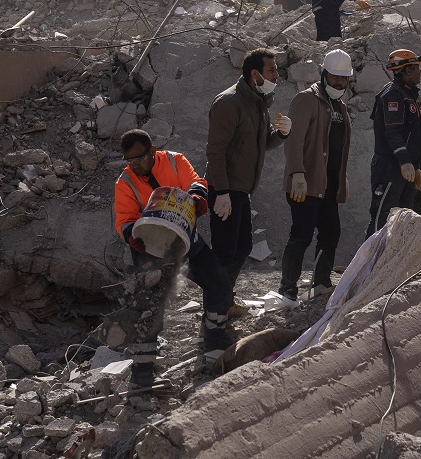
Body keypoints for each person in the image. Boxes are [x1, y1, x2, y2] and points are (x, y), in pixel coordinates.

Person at [112, 129, 235, 362]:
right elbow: (125, 219)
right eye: (129, 160)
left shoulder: (174, 161)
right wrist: (131, 236)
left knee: (219, 283)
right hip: (149, 247)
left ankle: (214, 337)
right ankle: (145, 360)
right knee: (151, 302)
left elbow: (195, 182)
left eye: (139, 158)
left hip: (185, 237)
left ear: (152, 151)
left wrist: (198, 198)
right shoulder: (125, 182)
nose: (134, 165)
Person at [205, 49, 290, 291]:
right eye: (271, 70)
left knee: (241, 248)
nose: (277, 76)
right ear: (255, 74)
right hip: (226, 190)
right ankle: (214, 311)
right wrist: (221, 192)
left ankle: (223, 298)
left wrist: (282, 134)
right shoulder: (229, 103)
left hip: (241, 190)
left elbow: (262, 144)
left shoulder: (258, 102)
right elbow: (215, 151)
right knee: (224, 251)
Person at [280, 50, 356, 300]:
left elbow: (339, 147)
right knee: (301, 236)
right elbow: (293, 141)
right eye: (336, 77)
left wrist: (341, 177)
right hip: (306, 184)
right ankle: (288, 289)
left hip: (328, 185)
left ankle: (320, 282)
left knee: (331, 233)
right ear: (324, 74)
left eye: (344, 79)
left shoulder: (341, 107)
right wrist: (297, 174)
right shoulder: (306, 100)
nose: (340, 83)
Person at [369, 49, 421, 230]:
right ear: (407, 70)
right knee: (383, 221)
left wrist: (414, 165)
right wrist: (405, 161)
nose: (420, 72)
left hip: (403, 167)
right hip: (390, 167)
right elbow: (392, 131)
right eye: (416, 67)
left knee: (402, 222)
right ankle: (372, 259)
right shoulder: (393, 94)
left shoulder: (407, 94)